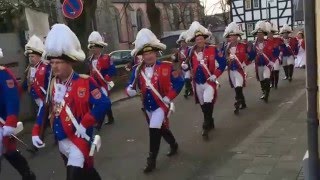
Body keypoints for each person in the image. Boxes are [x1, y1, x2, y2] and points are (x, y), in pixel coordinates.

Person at [31, 24, 110, 180]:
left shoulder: (85, 82)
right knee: (87, 173)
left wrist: (85, 122)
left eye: (58, 62)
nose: (54, 66)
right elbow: (45, 109)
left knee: (73, 176)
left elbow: (104, 103)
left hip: (79, 139)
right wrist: (35, 130)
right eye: (52, 62)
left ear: (70, 62)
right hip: (62, 140)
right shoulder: (52, 84)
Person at [126, 28, 184, 173]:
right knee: (161, 129)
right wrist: (129, 90)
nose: (148, 56)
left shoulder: (167, 66)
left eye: (151, 53)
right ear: (142, 56)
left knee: (154, 129)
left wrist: (168, 97)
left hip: (161, 104)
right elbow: (130, 84)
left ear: (156, 53)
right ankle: (173, 144)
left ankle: (151, 160)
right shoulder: (137, 70)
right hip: (147, 106)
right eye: (145, 54)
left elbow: (179, 82)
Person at [183, 21, 226, 139]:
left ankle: (205, 126)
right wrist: (185, 67)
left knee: (208, 102)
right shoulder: (190, 51)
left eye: (201, 38)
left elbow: (222, 63)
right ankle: (210, 120)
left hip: (209, 82)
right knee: (203, 105)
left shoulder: (213, 49)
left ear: (204, 39)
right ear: (194, 40)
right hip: (197, 83)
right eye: (197, 39)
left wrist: (215, 75)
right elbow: (186, 64)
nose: (199, 41)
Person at [0, 48, 36, 179]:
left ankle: (27, 174)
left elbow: (12, 99)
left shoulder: (4, 74)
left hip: (2, 123)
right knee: (9, 153)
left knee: (10, 152)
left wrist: (10, 121)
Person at [87, 31, 116, 127]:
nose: (94, 49)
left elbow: (112, 69)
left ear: (100, 47)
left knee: (102, 100)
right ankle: (110, 117)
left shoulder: (107, 58)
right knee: (101, 101)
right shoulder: (90, 60)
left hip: (103, 83)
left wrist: (107, 76)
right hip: (94, 84)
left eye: (96, 47)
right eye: (92, 47)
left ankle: (99, 122)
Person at [223, 22, 251, 114]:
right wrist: (228, 59)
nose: (232, 37)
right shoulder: (226, 47)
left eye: (234, 35)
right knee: (236, 88)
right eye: (231, 36)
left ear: (237, 36)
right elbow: (225, 58)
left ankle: (237, 103)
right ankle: (243, 103)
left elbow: (249, 56)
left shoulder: (243, 45)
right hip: (231, 70)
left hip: (240, 69)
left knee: (239, 87)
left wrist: (245, 62)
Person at [250, 21, 279, 103]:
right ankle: (264, 92)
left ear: (264, 34)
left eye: (261, 34)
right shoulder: (254, 45)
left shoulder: (269, 42)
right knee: (262, 80)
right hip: (258, 65)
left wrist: (273, 62)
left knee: (267, 79)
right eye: (258, 34)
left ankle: (267, 94)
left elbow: (276, 52)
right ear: (256, 35)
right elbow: (251, 55)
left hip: (267, 65)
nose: (260, 36)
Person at [175, 31, 193, 98]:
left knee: (187, 79)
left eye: (184, 42)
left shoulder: (189, 49)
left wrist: (186, 62)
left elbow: (189, 57)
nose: (182, 43)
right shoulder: (179, 50)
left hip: (188, 66)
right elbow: (178, 59)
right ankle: (191, 91)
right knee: (186, 79)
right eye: (181, 42)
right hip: (182, 67)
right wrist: (179, 67)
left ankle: (186, 92)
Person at [265, 22, 282, 89]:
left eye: (271, 33)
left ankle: (276, 84)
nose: (270, 35)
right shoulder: (265, 41)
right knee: (271, 72)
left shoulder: (277, 40)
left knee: (276, 71)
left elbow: (282, 45)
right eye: (269, 34)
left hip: (276, 58)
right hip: (269, 59)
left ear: (272, 33)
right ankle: (272, 83)